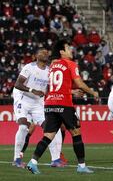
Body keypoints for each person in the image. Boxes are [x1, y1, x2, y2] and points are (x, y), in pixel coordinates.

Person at [26, 40, 99, 174]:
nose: (71, 50)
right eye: (68, 48)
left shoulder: (52, 66)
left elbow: (54, 86)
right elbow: (80, 83)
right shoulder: (70, 64)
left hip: (49, 104)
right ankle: (82, 166)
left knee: (48, 136)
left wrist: (70, 91)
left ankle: (33, 162)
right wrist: (93, 92)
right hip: (64, 104)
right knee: (76, 133)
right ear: (61, 52)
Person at [12, 48, 64, 168]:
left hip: (37, 102)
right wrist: (32, 90)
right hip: (23, 98)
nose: (45, 53)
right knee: (23, 126)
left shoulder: (50, 71)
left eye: (46, 52)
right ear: (36, 56)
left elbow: (51, 88)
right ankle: (17, 160)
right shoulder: (29, 67)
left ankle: (55, 160)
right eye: (42, 52)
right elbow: (18, 84)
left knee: (51, 128)